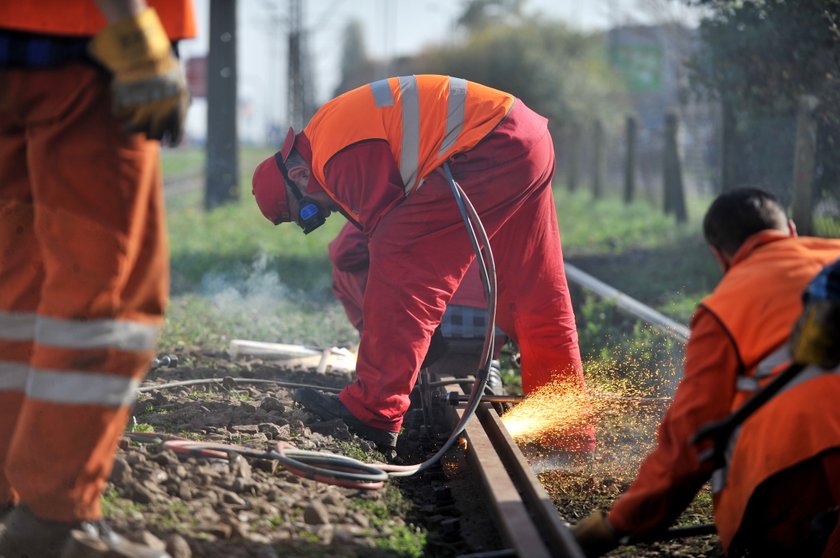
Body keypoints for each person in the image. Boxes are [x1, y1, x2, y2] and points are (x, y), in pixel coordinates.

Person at [251, 74, 595, 454]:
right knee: (537, 295)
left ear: (299, 175)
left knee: (399, 261)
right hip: (526, 138)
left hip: (487, 146)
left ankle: (372, 413)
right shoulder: (327, 134)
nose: (323, 216)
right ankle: (568, 433)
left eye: (310, 213)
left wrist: (410, 335)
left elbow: (397, 258)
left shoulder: (336, 158)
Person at [0, 0, 194, 556]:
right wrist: (132, 27)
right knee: (104, 292)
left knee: (16, 286)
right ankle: (56, 519)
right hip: (85, 49)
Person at [571, 188, 840, 557]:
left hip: (810, 474)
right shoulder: (834, 255)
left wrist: (618, 524)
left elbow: (691, 439)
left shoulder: (725, 308)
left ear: (719, 256)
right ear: (791, 230)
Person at [328, 221, 507, 393]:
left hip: (428, 322)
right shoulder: (486, 197)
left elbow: (344, 252)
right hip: (494, 325)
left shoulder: (400, 195)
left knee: (343, 270)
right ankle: (491, 364)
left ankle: (392, 359)